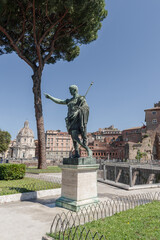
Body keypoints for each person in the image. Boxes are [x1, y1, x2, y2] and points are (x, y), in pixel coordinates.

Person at [44, 85, 92, 158]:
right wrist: (50, 97)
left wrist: (78, 111)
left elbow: (86, 108)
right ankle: (76, 153)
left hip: (78, 119)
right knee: (73, 138)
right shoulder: (70, 100)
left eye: (71, 90)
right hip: (70, 120)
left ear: (75, 90)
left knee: (74, 135)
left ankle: (87, 149)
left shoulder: (81, 99)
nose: (69, 92)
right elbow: (60, 101)